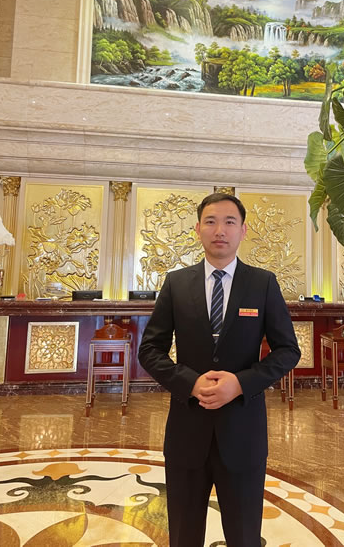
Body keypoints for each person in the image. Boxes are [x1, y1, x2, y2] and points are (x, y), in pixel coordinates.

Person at [138, 192, 300, 547]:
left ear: (243, 230)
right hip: (187, 433)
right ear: (198, 229)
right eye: (210, 221)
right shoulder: (177, 283)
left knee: (244, 537)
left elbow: (288, 350)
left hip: (243, 433)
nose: (220, 230)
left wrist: (240, 384)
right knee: (184, 535)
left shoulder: (262, 283)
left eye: (229, 222)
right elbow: (149, 350)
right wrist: (190, 383)